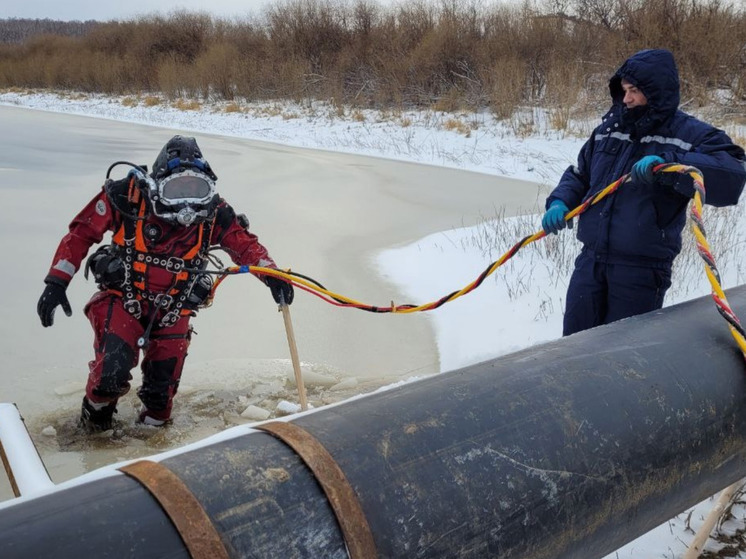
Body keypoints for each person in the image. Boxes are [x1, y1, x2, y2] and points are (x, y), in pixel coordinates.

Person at [37, 135, 294, 430]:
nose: (187, 204)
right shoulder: (128, 196)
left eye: (196, 190)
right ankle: (94, 433)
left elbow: (245, 245)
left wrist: (273, 277)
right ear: (157, 185)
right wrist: (56, 282)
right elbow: (82, 233)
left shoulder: (213, 213)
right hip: (124, 300)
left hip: (174, 308)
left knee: (161, 399)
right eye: (176, 190)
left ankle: (149, 444)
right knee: (110, 373)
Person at [542, 48, 746, 336]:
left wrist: (671, 165)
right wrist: (560, 201)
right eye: (624, 90)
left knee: (624, 359)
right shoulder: (610, 129)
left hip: (640, 272)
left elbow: (733, 175)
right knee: (572, 350)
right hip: (590, 263)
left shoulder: (689, 134)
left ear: (656, 90)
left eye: (634, 90)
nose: (627, 99)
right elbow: (581, 174)